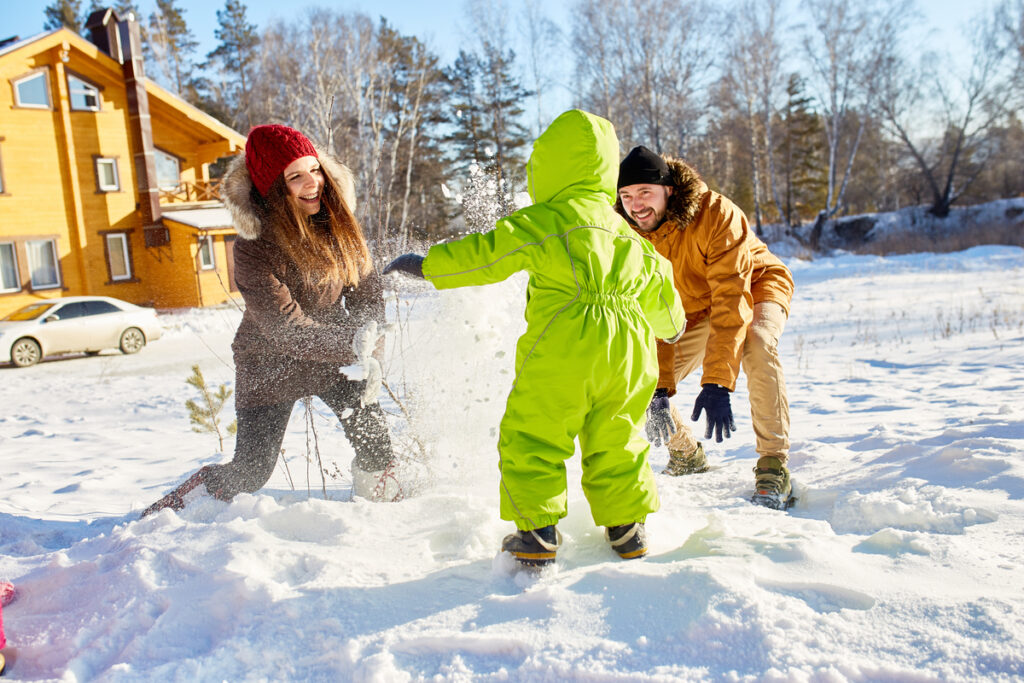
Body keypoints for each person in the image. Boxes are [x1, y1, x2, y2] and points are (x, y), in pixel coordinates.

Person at [384, 110, 685, 565]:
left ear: (550, 166)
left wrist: (428, 266)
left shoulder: (548, 219)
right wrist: (672, 327)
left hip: (564, 346)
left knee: (534, 433)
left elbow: (489, 253)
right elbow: (667, 309)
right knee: (619, 437)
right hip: (629, 355)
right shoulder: (630, 237)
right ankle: (627, 528)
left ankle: (538, 533)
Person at [142, 124, 397, 517]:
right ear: (274, 189)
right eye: (295, 176)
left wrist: (371, 342)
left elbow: (367, 294)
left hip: (337, 357)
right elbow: (286, 330)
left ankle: (381, 512)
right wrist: (354, 343)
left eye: (315, 170)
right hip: (270, 363)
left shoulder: (340, 225)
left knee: (376, 444)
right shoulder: (253, 247)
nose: (313, 183)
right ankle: (167, 514)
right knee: (251, 472)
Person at [615, 146, 796, 509]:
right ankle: (685, 453)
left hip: (754, 285)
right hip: (690, 308)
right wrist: (659, 388)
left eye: (645, 193)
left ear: (668, 189)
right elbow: (649, 311)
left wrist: (716, 381)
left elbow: (732, 297)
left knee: (757, 344)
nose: (636, 205)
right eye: (627, 196)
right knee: (637, 376)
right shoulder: (626, 233)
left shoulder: (716, 214)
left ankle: (774, 466)